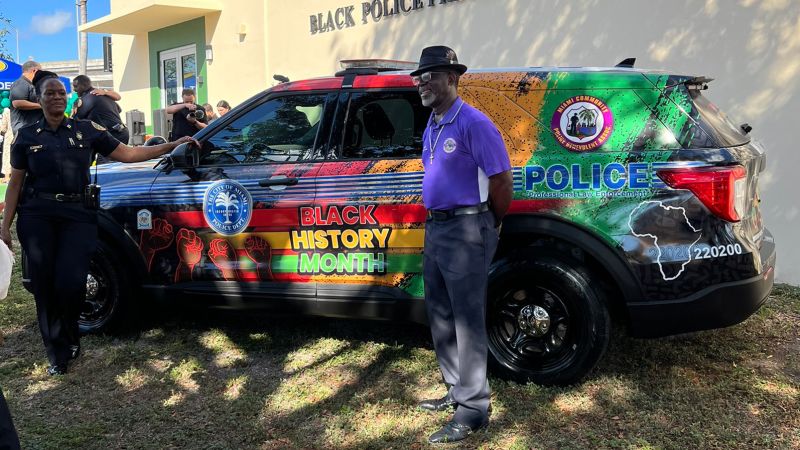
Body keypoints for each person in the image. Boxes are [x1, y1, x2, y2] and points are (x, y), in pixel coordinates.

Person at [0, 71, 197, 376]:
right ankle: (58, 352)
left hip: (77, 214)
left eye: (60, 94)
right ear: (39, 99)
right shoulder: (27, 137)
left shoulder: (85, 130)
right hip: (37, 215)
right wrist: (4, 226)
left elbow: (128, 153)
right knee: (44, 285)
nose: (56, 97)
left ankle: (71, 334)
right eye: (49, 93)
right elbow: (15, 183)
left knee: (72, 282)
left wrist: (170, 146)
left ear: (68, 99)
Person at [412, 46, 513, 444]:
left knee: (468, 320)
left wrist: (491, 222)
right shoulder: (433, 124)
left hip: (469, 228)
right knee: (439, 311)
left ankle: (473, 410)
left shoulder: (474, 123)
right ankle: (456, 390)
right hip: (436, 229)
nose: (422, 82)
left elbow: (502, 181)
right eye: (420, 77)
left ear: (452, 78)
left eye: (431, 75)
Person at [72, 75, 128, 151]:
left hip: (112, 137)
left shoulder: (86, 99)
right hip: (123, 133)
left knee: (103, 162)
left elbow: (75, 121)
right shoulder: (103, 94)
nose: (74, 90)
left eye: (76, 86)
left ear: (84, 86)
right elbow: (118, 108)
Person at [9, 60, 43, 135]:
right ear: (34, 70)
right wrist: (41, 105)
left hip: (34, 130)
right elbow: (17, 103)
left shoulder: (31, 85)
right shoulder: (21, 83)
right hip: (25, 130)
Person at [0, 108, 8, 178]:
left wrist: (2, 133)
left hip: (9, 136)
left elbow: (3, 128)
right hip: (20, 134)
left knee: (7, 156)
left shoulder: (6, 111)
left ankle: (7, 177)